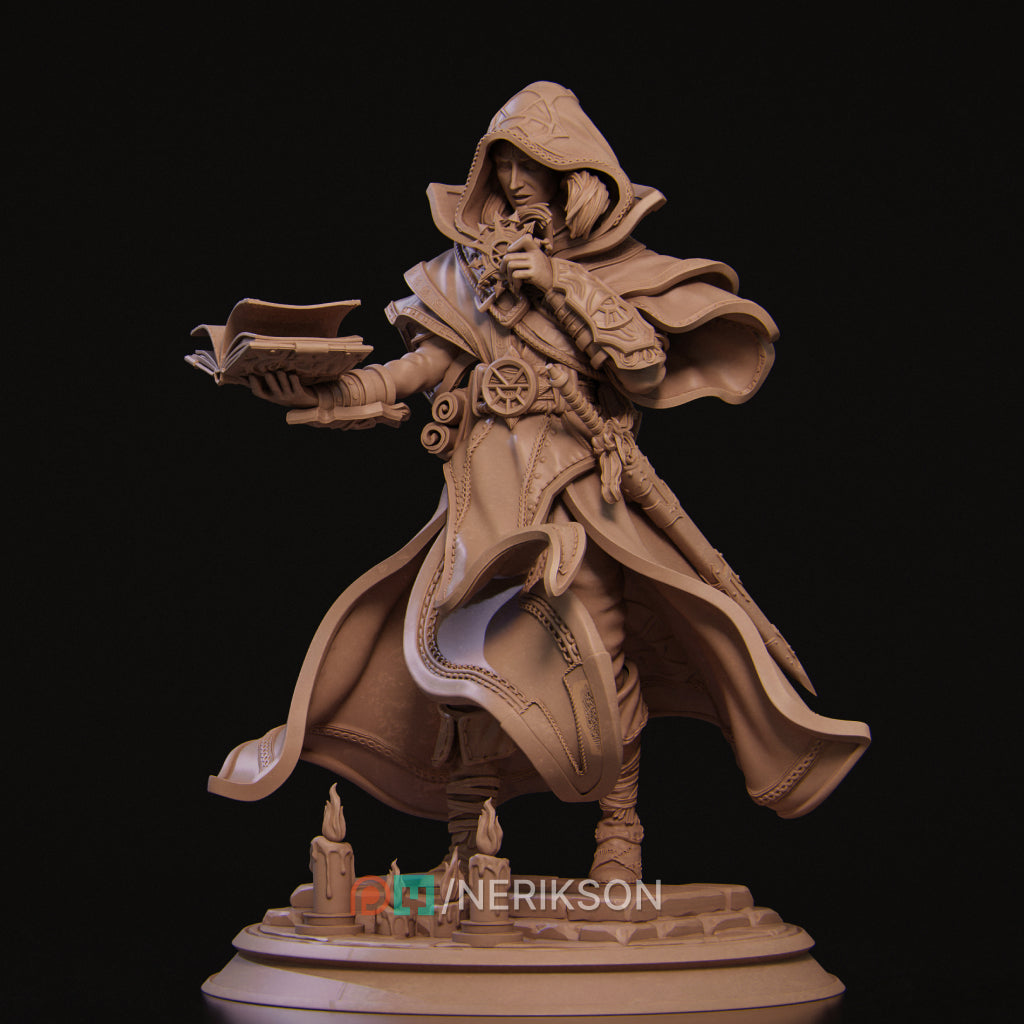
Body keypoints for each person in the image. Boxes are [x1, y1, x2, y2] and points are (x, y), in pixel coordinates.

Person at [210, 82, 869, 883]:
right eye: (503, 164)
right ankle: (465, 840)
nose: (515, 180)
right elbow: (420, 366)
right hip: (482, 495)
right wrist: (332, 392)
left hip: (576, 491)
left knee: (599, 656)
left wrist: (557, 280)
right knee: (458, 662)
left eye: (530, 163)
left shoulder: (610, 271)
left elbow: (642, 368)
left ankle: (618, 834)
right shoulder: (464, 273)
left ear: (573, 170)